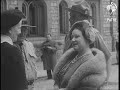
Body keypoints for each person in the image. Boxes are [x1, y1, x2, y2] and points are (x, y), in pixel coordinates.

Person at [63, 0, 111, 82]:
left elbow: (107, 55)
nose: (70, 19)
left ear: (82, 17)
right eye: (70, 16)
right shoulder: (69, 36)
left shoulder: (94, 35)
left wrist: (105, 80)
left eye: (73, 16)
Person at [53, 21, 107, 90]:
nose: (73, 40)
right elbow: (59, 78)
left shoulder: (91, 64)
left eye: (77, 36)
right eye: (72, 37)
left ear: (87, 38)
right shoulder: (70, 57)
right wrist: (56, 85)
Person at [1, 9, 27, 90]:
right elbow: (19, 85)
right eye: (19, 28)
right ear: (10, 29)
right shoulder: (12, 51)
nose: (19, 32)